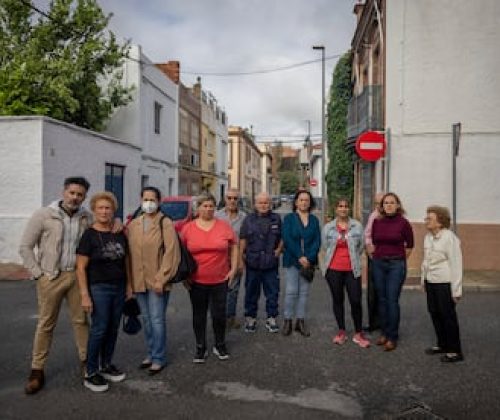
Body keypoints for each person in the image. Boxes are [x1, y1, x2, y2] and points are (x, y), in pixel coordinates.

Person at [19, 177, 92, 395]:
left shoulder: (86, 217)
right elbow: (25, 247)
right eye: (72, 193)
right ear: (64, 192)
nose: (75, 198)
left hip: (77, 277)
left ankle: (86, 363)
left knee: (81, 321)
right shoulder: (45, 214)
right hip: (51, 277)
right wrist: (39, 274)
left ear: (84, 197)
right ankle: (37, 370)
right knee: (46, 324)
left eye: (80, 194)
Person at [76, 192, 129, 392]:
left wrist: (130, 286)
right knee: (99, 328)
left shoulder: (119, 232)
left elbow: (127, 260)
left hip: (119, 286)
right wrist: (84, 295)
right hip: (99, 288)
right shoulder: (89, 235)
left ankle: (106, 364)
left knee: (113, 328)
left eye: (108, 208)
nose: (104, 211)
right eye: (100, 208)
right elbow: (80, 267)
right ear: (94, 210)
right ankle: (90, 372)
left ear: (113, 210)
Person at [127, 186, 180, 374]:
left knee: (157, 320)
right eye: (145, 199)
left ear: (159, 201)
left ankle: (159, 357)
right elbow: (128, 253)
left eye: (152, 199)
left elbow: (172, 253)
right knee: (147, 320)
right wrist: (129, 283)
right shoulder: (134, 224)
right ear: (141, 200)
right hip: (138, 280)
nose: (149, 203)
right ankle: (150, 353)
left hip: (157, 281)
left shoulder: (164, 222)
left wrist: (162, 278)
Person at [181, 193, 238, 363]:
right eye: (204, 206)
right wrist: (184, 276)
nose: (208, 209)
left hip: (220, 279)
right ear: (198, 208)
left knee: (219, 315)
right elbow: (181, 253)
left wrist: (233, 268)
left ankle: (219, 344)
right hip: (196, 281)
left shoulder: (224, 226)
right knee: (199, 315)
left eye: (211, 206)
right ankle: (200, 347)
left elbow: (234, 246)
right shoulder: (188, 228)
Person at [322, 198, 370, 348]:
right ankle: (341, 331)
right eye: (340, 206)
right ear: (336, 209)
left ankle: (358, 333)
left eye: (346, 206)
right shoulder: (328, 227)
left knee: (356, 301)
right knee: (338, 300)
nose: (343, 209)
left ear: (349, 209)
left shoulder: (357, 226)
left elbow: (361, 246)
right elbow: (325, 246)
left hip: (352, 270)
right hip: (333, 269)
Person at [371, 192, 414, 351]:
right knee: (381, 300)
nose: (388, 205)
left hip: (396, 265)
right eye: (386, 203)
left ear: (397, 205)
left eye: (392, 202)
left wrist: (399, 259)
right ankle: (384, 332)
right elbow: (375, 242)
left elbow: (410, 245)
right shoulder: (377, 222)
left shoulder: (404, 223)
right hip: (379, 264)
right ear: (381, 206)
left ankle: (392, 336)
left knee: (392, 300)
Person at [421, 206, 464, 363]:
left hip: (444, 283)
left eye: (429, 218)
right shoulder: (428, 237)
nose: (426, 220)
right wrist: (423, 280)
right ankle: (442, 344)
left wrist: (456, 290)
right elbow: (425, 261)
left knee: (448, 316)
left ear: (440, 222)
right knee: (434, 313)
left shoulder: (449, 238)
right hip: (431, 282)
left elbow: (456, 264)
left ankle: (455, 351)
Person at [240, 192, 283, 333]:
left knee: (272, 292)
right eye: (260, 203)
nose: (263, 205)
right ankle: (250, 318)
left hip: (270, 263)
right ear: (255, 204)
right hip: (253, 263)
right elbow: (243, 239)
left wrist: (279, 250)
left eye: (266, 203)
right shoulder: (248, 220)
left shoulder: (276, 219)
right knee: (251, 292)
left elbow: (282, 237)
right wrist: (241, 257)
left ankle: (271, 318)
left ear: (270, 204)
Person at [282, 190, 321, 337]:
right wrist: (300, 256)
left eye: (306, 200)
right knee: (291, 291)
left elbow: (317, 240)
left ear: (310, 202)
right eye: (301, 200)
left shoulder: (314, 220)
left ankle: (300, 321)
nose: (304, 202)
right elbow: (287, 239)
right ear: (296, 202)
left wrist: (309, 258)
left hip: (308, 263)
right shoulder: (289, 219)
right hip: (292, 260)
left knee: (304, 292)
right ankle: (287, 320)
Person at [215, 188, 247, 329]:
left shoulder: (244, 217)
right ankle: (219, 317)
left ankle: (230, 317)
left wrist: (240, 259)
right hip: (218, 259)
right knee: (219, 290)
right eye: (229, 198)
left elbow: (244, 239)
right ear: (225, 199)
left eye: (235, 198)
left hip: (237, 257)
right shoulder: (217, 216)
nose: (232, 201)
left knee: (233, 290)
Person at [364, 192, 385, 331]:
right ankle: (373, 323)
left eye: (380, 203)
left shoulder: (394, 217)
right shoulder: (373, 215)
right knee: (372, 293)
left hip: (387, 259)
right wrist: (368, 246)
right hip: (373, 257)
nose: (378, 206)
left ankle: (385, 324)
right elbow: (367, 234)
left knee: (384, 293)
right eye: (376, 203)